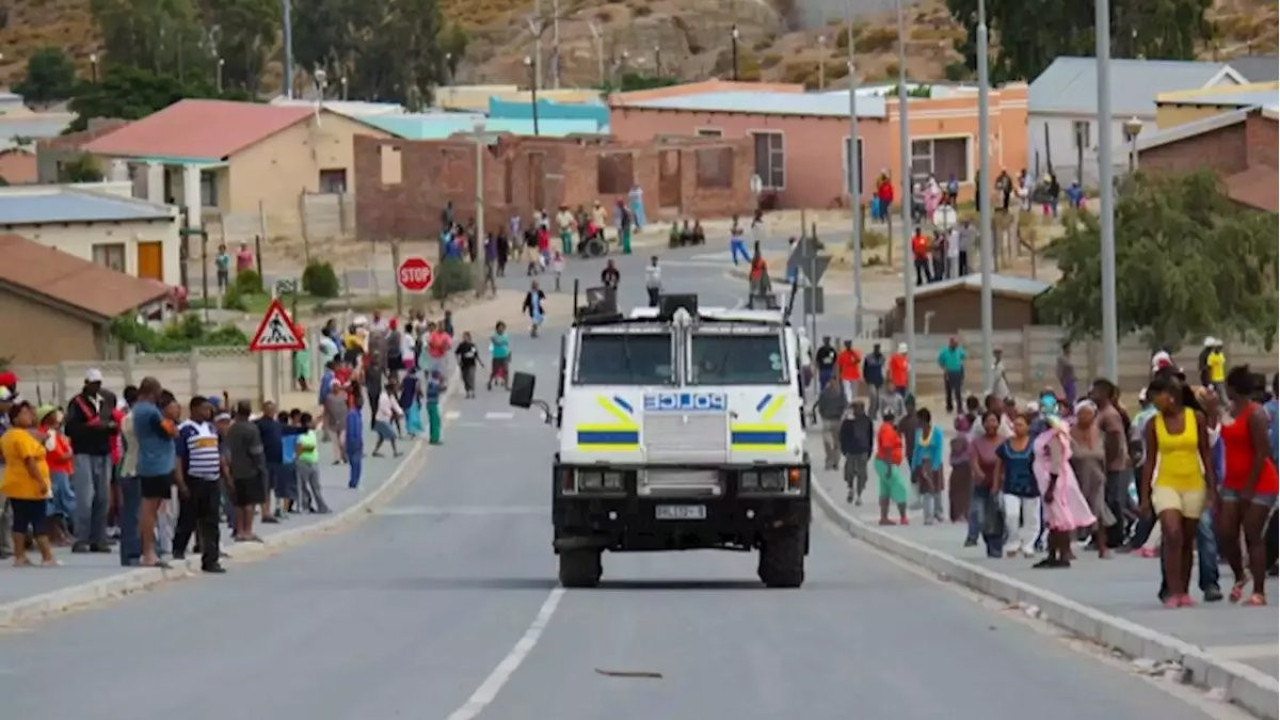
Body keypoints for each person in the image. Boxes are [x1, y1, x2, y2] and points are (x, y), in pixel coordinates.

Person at [1140, 374, 1217, 608]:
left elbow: (1205, 453)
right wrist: (1144, 496)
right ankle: (1172, 590)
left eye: (1157, 397)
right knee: (1172, 533)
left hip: (1193, 483)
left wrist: (1212, 487)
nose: (1154, 402)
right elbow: (1150, 460)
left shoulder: (1197, 419)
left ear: (1170, 397)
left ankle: (1184, 589)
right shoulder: (1153, 424)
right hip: (1166, 483)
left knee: (1187, 538)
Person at [1218, 366, 1278, 606]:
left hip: (1260, 482)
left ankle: (1259, 591)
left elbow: (1262, 452)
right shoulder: (1230, 411)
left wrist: (1249, 488)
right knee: (1226, 531)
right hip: (1233, 480)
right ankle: (1240, 575)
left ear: (1233, 389)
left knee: (1253, 533)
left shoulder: (1255, 414)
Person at [1033, 408, 1095, 568]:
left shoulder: (1055, 438)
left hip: (1055, 482)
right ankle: (1052, 554)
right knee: (1052, 519)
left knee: (1059, 519)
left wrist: (1050, 488)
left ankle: (1063, 554)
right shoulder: (1046, 436)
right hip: (1046, 481)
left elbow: (1055, 463)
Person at [65, 368, 117, 554]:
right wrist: (93, 428)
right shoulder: (76, 404)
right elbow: (70, 428)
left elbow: (112, 425)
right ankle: (82, 538)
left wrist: (108, 426)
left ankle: (98, 538)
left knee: (103, 498)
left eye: (99, 384)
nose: (96, 387)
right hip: (84, 452)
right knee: (85, 498)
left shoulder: (106, 403)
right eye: (93, 384)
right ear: (86, 384)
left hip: (103, 452)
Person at [172, 396, 225, 573]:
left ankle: (211, 559)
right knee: (188, 518)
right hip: (193, 480)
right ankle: (178, 549)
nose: (208, 413)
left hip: (212, 480)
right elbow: (178, 458)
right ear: (194, 409)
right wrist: (181, 483)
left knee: (211, 521)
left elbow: (219, 454)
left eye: (209, 409)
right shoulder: (185, 429)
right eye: (204, 409)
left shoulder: (211, 429)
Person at [2, 400, 57, 566]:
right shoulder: (21, 437)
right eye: (24, 414)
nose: (29, 416)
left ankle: (19, 555)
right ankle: (47, 556)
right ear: (15, 418)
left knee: (20, 521)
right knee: (39, 519)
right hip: (29, 485)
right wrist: (41, 481)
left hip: (14, 483)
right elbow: (29, 461)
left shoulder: (8, 435)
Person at [132, 379, 177, 567]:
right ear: (153, 392)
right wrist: (171, 421)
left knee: (153, 508)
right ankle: (148, 552)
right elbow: (170, 431)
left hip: (156, 463)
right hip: (155, 464)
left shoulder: (140, 409)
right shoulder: (149, 411)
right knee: (149, 510)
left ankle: (150, 550)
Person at [1070, 400, 1114, 558]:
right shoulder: (1069, 434)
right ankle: (1067, 548)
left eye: (1090, 414)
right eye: (1082, 414)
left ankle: (1102, 546)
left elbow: (1106, 457)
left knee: (1098, 511)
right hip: (1076, 479)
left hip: (1097, 479)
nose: (1086, 418)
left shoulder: (1100, 434)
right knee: (1072, 512)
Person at [994, 412, 1040, 558]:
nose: (1017, 427)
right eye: (1015, 424)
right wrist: (996, 484)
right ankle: (1013, 541)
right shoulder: (1006, 445)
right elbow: (999, 465)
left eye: (1021, 425)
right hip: (1010, 486)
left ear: (1028, 427)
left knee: (1031, 517)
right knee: (1011, 514)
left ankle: (1028, 545)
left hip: (1031, 486)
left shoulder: (1035, 444)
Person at [226, 400, 267, 543]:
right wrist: (260, 467)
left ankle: (239, 530)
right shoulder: (251, 429)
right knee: (249, 503)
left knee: (238, 503)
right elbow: (256, 451)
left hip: (235, 469)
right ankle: (248, 531)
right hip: (250, 469)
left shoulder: (231, 429)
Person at [967, 411, 1003, 555]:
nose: (991, 424)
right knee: (980, 516)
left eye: (994, 421)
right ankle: (987, 539)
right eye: (988, 421)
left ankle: (997, 546)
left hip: (1000, 484)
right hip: (981, 485)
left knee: (998, 517)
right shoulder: (977, 443)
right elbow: (973, 461)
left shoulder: (1004, 441)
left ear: (999, 424)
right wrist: (979, 473)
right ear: (983, 424)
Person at [38, 406, 74, 546]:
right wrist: (70, 452)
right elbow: (57, 454)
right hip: (55, 470)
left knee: (57, 501)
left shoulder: (54, 433)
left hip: (60, 470)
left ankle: (60, 532)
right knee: (58, 501)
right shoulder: (48, 434)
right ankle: (56, 533)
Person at [912, 408, 946, 525]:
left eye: (918, 420)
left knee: (936, 489)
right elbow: (916, 450)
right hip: (923, 463)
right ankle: (928, 516)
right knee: (927, 491)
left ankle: (938, 511)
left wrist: (935, 467)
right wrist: (915, 466)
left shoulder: (936, 432)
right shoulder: (918, 433)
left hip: (934, 463)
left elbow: (938, 450)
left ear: (924, 420)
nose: (917, 423)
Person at [875, 411, 909, 525]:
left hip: (882, 462)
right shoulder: (888, 431)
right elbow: (887, 448)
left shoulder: (884, 428)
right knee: (900, 487)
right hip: (887, 463)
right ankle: (903, 516)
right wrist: (889, 467)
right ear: (893, 419)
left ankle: (883, 517)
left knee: (885, 489)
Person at [841, 401, 874, 505]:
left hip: (863, 450)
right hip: (851, 451)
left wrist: (869, 451)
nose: (858, 410)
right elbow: (842, 436)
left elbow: (870, 437)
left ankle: (859, 495)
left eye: (860, 408)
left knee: (862, 475)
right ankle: (851, 488)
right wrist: (844, 450)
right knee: (849, 472)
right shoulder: (848, 422)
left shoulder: (867, 421)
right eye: (856, 408)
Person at [295, 414, 329, 514]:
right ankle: (305, 506)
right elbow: (298, 450)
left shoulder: (312, 433)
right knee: (302, 487)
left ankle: (322, 507)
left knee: (316, 487)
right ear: (307, 423)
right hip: (303, 462)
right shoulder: (299, 434)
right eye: (312, 421)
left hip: (313, 462)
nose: (314, 423)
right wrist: (310, 448)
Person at [814, 376, 846, 471]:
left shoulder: (841, 394)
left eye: (835, 381)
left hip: (837, 420)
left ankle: (835, 461)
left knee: (837, 443)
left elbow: (844, 405)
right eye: (831, 381)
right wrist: (823, 415)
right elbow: (820, 405)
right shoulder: (824, 393)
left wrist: (841, 415)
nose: (833, 383)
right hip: (827, 420)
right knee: (827, 441)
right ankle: (829, 459)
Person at [948, 415, 973, 523]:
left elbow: (957, 450)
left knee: (959, 492)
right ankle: (963, 514)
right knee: (964, 491)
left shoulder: (962, 437)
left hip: (961, 466)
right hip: (964, 466)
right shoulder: (967, 436)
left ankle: (960, 514)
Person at [372, 381, 402, 458]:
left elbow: (395, 405)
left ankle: (375, 451)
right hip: (381, 420)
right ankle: (395, 452)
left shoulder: (391, 397)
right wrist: (391, 414)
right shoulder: (383, 397)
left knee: (381, 437)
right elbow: (383, 408)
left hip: (385, 420)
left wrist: (400, 412)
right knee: (392, 435)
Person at [937, 336, 966, 414]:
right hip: (949, 372)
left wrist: (960, 364)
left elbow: (964, 356)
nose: (955, 345)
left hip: (958, 372)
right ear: (950, 343)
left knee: (958, 391)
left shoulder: (959, 351)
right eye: (954, 344)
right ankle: (949, 406)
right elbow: (940, 361)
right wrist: (944, 367)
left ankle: (959, 408)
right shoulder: (944, 351)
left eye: (956, 344)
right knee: (948, 390)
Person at [345, 391, 365, 489]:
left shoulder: (358, 414)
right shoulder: (352, 414)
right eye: (360, 402)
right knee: (355, 463)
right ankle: (353, 481)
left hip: (358, 442)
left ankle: (354, 481)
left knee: (357, 464)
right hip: (353, 442)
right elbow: (351, 430)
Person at [862, 344, 885, 418]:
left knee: (878, 400)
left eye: (878, 348)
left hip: (880, 381)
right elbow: (864, 369)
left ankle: (874, 413)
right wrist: (866, 379)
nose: (877, 350)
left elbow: (883, 369)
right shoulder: (868, 358)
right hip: (871, 381)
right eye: (876, 348)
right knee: (873, 398)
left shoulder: (882, 357)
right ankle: (871, 414)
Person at [488, 321, 511, 391]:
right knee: (495, 371)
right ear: (497, 328)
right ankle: (489, 382)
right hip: (497, 356)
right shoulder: (493, 335)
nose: (501, 329)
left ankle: (506, 386)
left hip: (505, 355)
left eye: (502, 328)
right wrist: (499, 343)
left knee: (506, 371)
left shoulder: (506, 335)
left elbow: (506, 344)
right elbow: (495, 342)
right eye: (500, 327)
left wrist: (509, 354)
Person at [426, 370, 446, 445]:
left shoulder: (433, 382)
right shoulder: (433, 383)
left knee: (435, 421)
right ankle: (434, 439)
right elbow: (433, 391)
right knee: (435, 422)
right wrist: (440, 387)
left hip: (432, 403)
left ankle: (433, 437)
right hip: (432, 404)